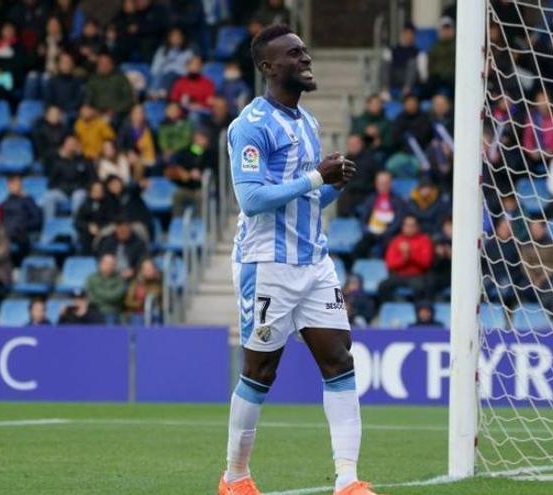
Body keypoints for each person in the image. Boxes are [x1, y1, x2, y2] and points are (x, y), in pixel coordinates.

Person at [219, 25, 379, 495]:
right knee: (259, 373)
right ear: (269, 67)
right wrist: (315, 177)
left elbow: (307, 200)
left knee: (339, 360)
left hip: (314, 263)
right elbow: (250, 199)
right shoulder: (250, 126)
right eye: (294, 53)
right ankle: (234, 478)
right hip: (267, 263)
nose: (305, 57)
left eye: (305, 50)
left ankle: (347, 479)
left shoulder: (307, 123)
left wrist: (333, 185)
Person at [378, 215, 434, 301]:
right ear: (402, 227)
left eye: (412, 225)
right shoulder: (396, 241)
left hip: (417, 275)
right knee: (383, 286)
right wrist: (404, 259)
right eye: (407, 225)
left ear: (417, 227)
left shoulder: (424, 240)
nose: (409, 228)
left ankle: (418, 311)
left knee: (421, 288)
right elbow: (390, 264)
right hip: (398, 275)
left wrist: (410, 255)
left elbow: (426, 263)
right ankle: (390, 308)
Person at [45, 135, 96, 219]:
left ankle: (76, 224)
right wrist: (64, 189)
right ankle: (49, 225)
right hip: (62, 193)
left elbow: (90, 179)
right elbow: (51, 183)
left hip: (78, 191)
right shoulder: (57, 162)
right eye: (69, 144)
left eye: (73, 144)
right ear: (64, 145)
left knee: (78, 196)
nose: (71, 146)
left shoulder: (84, 161)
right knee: (49, 197)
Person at [166, 130, 213, 217]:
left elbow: (213, 173)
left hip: (201, 189)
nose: (203, 140)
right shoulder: (185, 152)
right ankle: (178, 224)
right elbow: (172, 164)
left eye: (204, 138)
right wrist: (186, 173)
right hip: (186, 188)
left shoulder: (210, 155)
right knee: (177, 196)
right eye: (201, 137)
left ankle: (201, 223)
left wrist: (202, 176)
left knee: (202, 197)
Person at [0, 175, 44, 265]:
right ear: (9, 186)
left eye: (18, 184)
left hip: (22, 231)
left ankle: (19, 265)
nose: (17, 186)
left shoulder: (28, 201)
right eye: (14, 184)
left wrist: (24, 226)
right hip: (6, 231)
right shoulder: (5, 203)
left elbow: (37, 220)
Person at [85, 52, 135, 118]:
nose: (102, 65)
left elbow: (129, 99)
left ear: (111, 65)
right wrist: (87, 107)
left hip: (117, 113)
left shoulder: (121, 78)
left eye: (105, 63)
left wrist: (115, 110)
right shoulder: (93, 79)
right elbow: (88, 97)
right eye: (101, 63)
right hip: (97, 112)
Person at [150, 26, 194, 97]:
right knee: (157, 75)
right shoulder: (162, 50)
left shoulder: (188, 51)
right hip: (163, 75)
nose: (176, 38)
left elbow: (189, 68)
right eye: (173, 36)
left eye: (178, 36)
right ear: (169, 38)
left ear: (182, 38)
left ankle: (163, 93)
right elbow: (155, 67)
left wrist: (171, 68)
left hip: (181, 75)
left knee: (171, 74)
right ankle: (154, 93)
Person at [117, 104, 157, 180]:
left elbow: (155, 146)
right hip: (131, 156)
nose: (139, 115)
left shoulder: (149, 128)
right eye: (136, 113)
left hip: (147, 156)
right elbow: (119, 145)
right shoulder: (125, 129)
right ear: (131, 115)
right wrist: (127, 153)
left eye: (141, 113)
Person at [84, 253, 126, 324]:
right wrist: (103, 298)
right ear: (100, 264)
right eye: (106, 263)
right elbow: (89, 295)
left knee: (111, 328)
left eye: (112, 264)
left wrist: (98, 292)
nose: (109, 266)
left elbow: (115, 297)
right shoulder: (91, 278)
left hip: (112, 311)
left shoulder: (120, 280)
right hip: (95, 309)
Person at [74, 181, 112, 254]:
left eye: (100, 190)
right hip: (87, 233)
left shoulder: (109, 204)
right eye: (95, 190)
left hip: (104, 232)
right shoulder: (85, 205)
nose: (98, 192)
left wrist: (99, 228)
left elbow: (111, 220)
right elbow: (77, 222)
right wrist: (89, 226)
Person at [123, 258, 162, 325]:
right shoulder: (135, 283)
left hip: (155, 314)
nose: (148, 271)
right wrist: (140, 303)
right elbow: (128, 301)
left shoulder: (160, 283)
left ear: (155, 270)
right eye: (146, 269)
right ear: (142, 270)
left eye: (150, 268)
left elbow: (163, 302)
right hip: (138, 314)